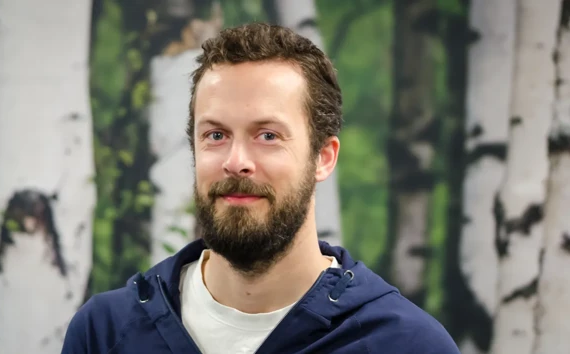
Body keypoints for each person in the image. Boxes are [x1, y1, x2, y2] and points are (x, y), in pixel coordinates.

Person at [61, 22, 460, 354]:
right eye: (215, 135)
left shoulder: (405, 344)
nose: (236, 161)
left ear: (323, 157)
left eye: (267, 135)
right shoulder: (106, 333)